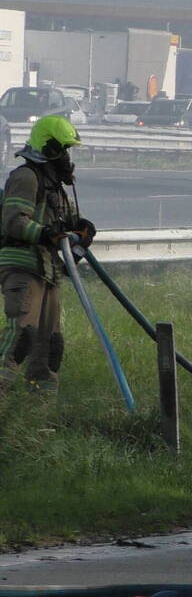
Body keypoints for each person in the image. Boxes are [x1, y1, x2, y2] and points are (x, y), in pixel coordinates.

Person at [0, 115, 95, 398]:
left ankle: (36, 418)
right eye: (64, 149)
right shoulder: (26, 177)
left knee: (50, 347)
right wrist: (46, 234)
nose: (67, 157)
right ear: (50, 148)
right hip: (23, 267)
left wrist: (83, 230)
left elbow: (66, 227)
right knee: (20, 338)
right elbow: (14, 221)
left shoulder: (56, 187)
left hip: (48, 271)